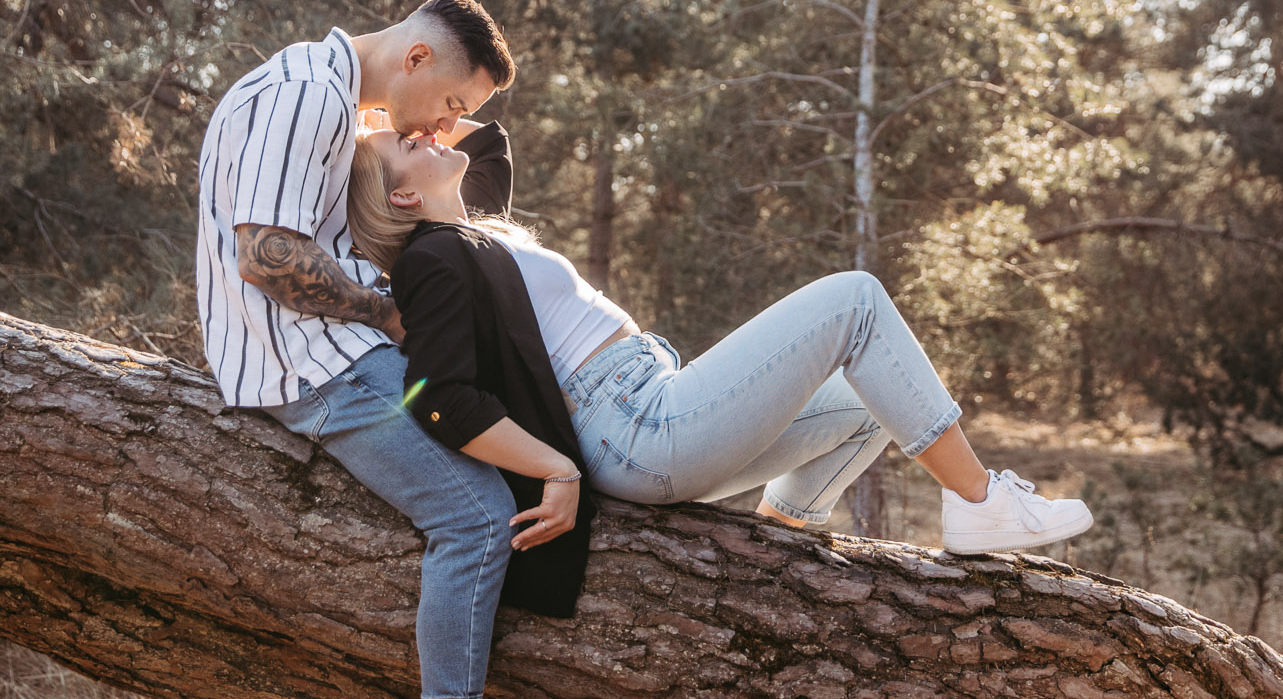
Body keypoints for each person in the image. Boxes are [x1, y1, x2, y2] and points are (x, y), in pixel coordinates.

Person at [196, 0, 572, 699]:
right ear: (413, 58)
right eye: (449, 102)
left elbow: (449, 169)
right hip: (318, 370)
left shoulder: (329, 94)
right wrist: (388, 313)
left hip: (334, 354)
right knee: (477, 517)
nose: (445, 125)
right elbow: (266, 256)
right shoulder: (305, 93)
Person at [347, 123, 1094, 586]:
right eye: (406, 144)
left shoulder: (472, 237)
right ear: (402, 198)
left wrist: (407, 120)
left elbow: (487, 136)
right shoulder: (432, 259)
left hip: (646, 409)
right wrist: (555, 469)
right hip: (633, 425)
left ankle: (776, 548)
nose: (424, 132)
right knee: (855, 300)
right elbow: (437, 396)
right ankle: (979, 503)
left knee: (874, 400)